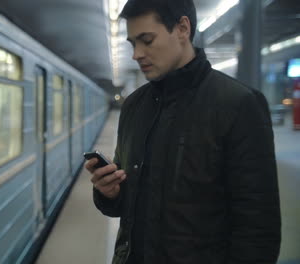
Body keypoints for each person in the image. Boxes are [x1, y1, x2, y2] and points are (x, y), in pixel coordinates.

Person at [85, 0, 281, 263]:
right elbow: (128, 207)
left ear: (182, 29)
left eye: (147, 40)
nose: (137, 54)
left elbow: (258, 229)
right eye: (133, 43)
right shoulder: (134, 107)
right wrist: (110, 193)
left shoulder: (239, 105)